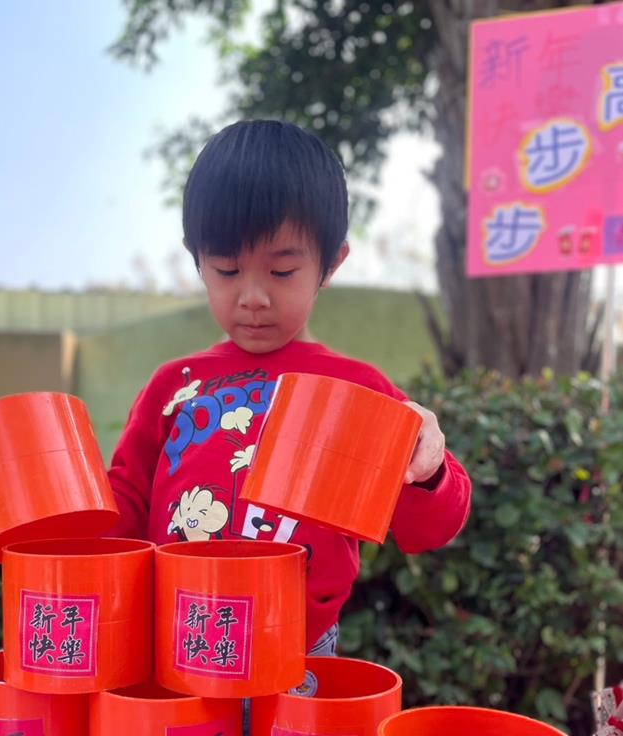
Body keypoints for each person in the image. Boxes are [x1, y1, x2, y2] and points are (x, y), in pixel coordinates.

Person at [108, 119, 471, 658]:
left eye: (281, 272)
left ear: (330, 263)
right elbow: (124, 508)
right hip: (180, 636)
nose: (253, 296)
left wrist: (429, 467)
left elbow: (429, 530)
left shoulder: (357, 391)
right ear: (197, 259)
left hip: (300, 649)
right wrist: (56, 517)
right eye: (227, 270)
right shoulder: (175, 386)